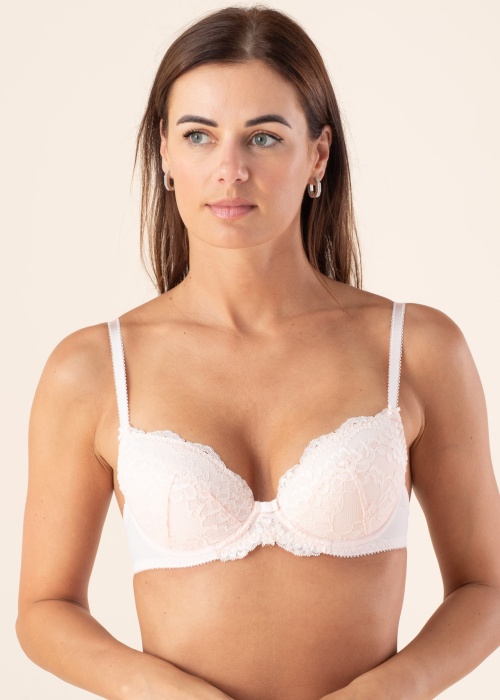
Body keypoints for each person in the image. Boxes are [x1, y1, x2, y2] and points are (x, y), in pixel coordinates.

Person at [16, 5, 500, 699]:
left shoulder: (416, 350)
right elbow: (44, 609)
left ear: (318, 155)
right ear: (165, 153)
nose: (230, 170)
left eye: (264, 138)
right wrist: (161, 692)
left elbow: (486, 587)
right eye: (199, 136)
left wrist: (388, 692)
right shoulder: (94, 369)